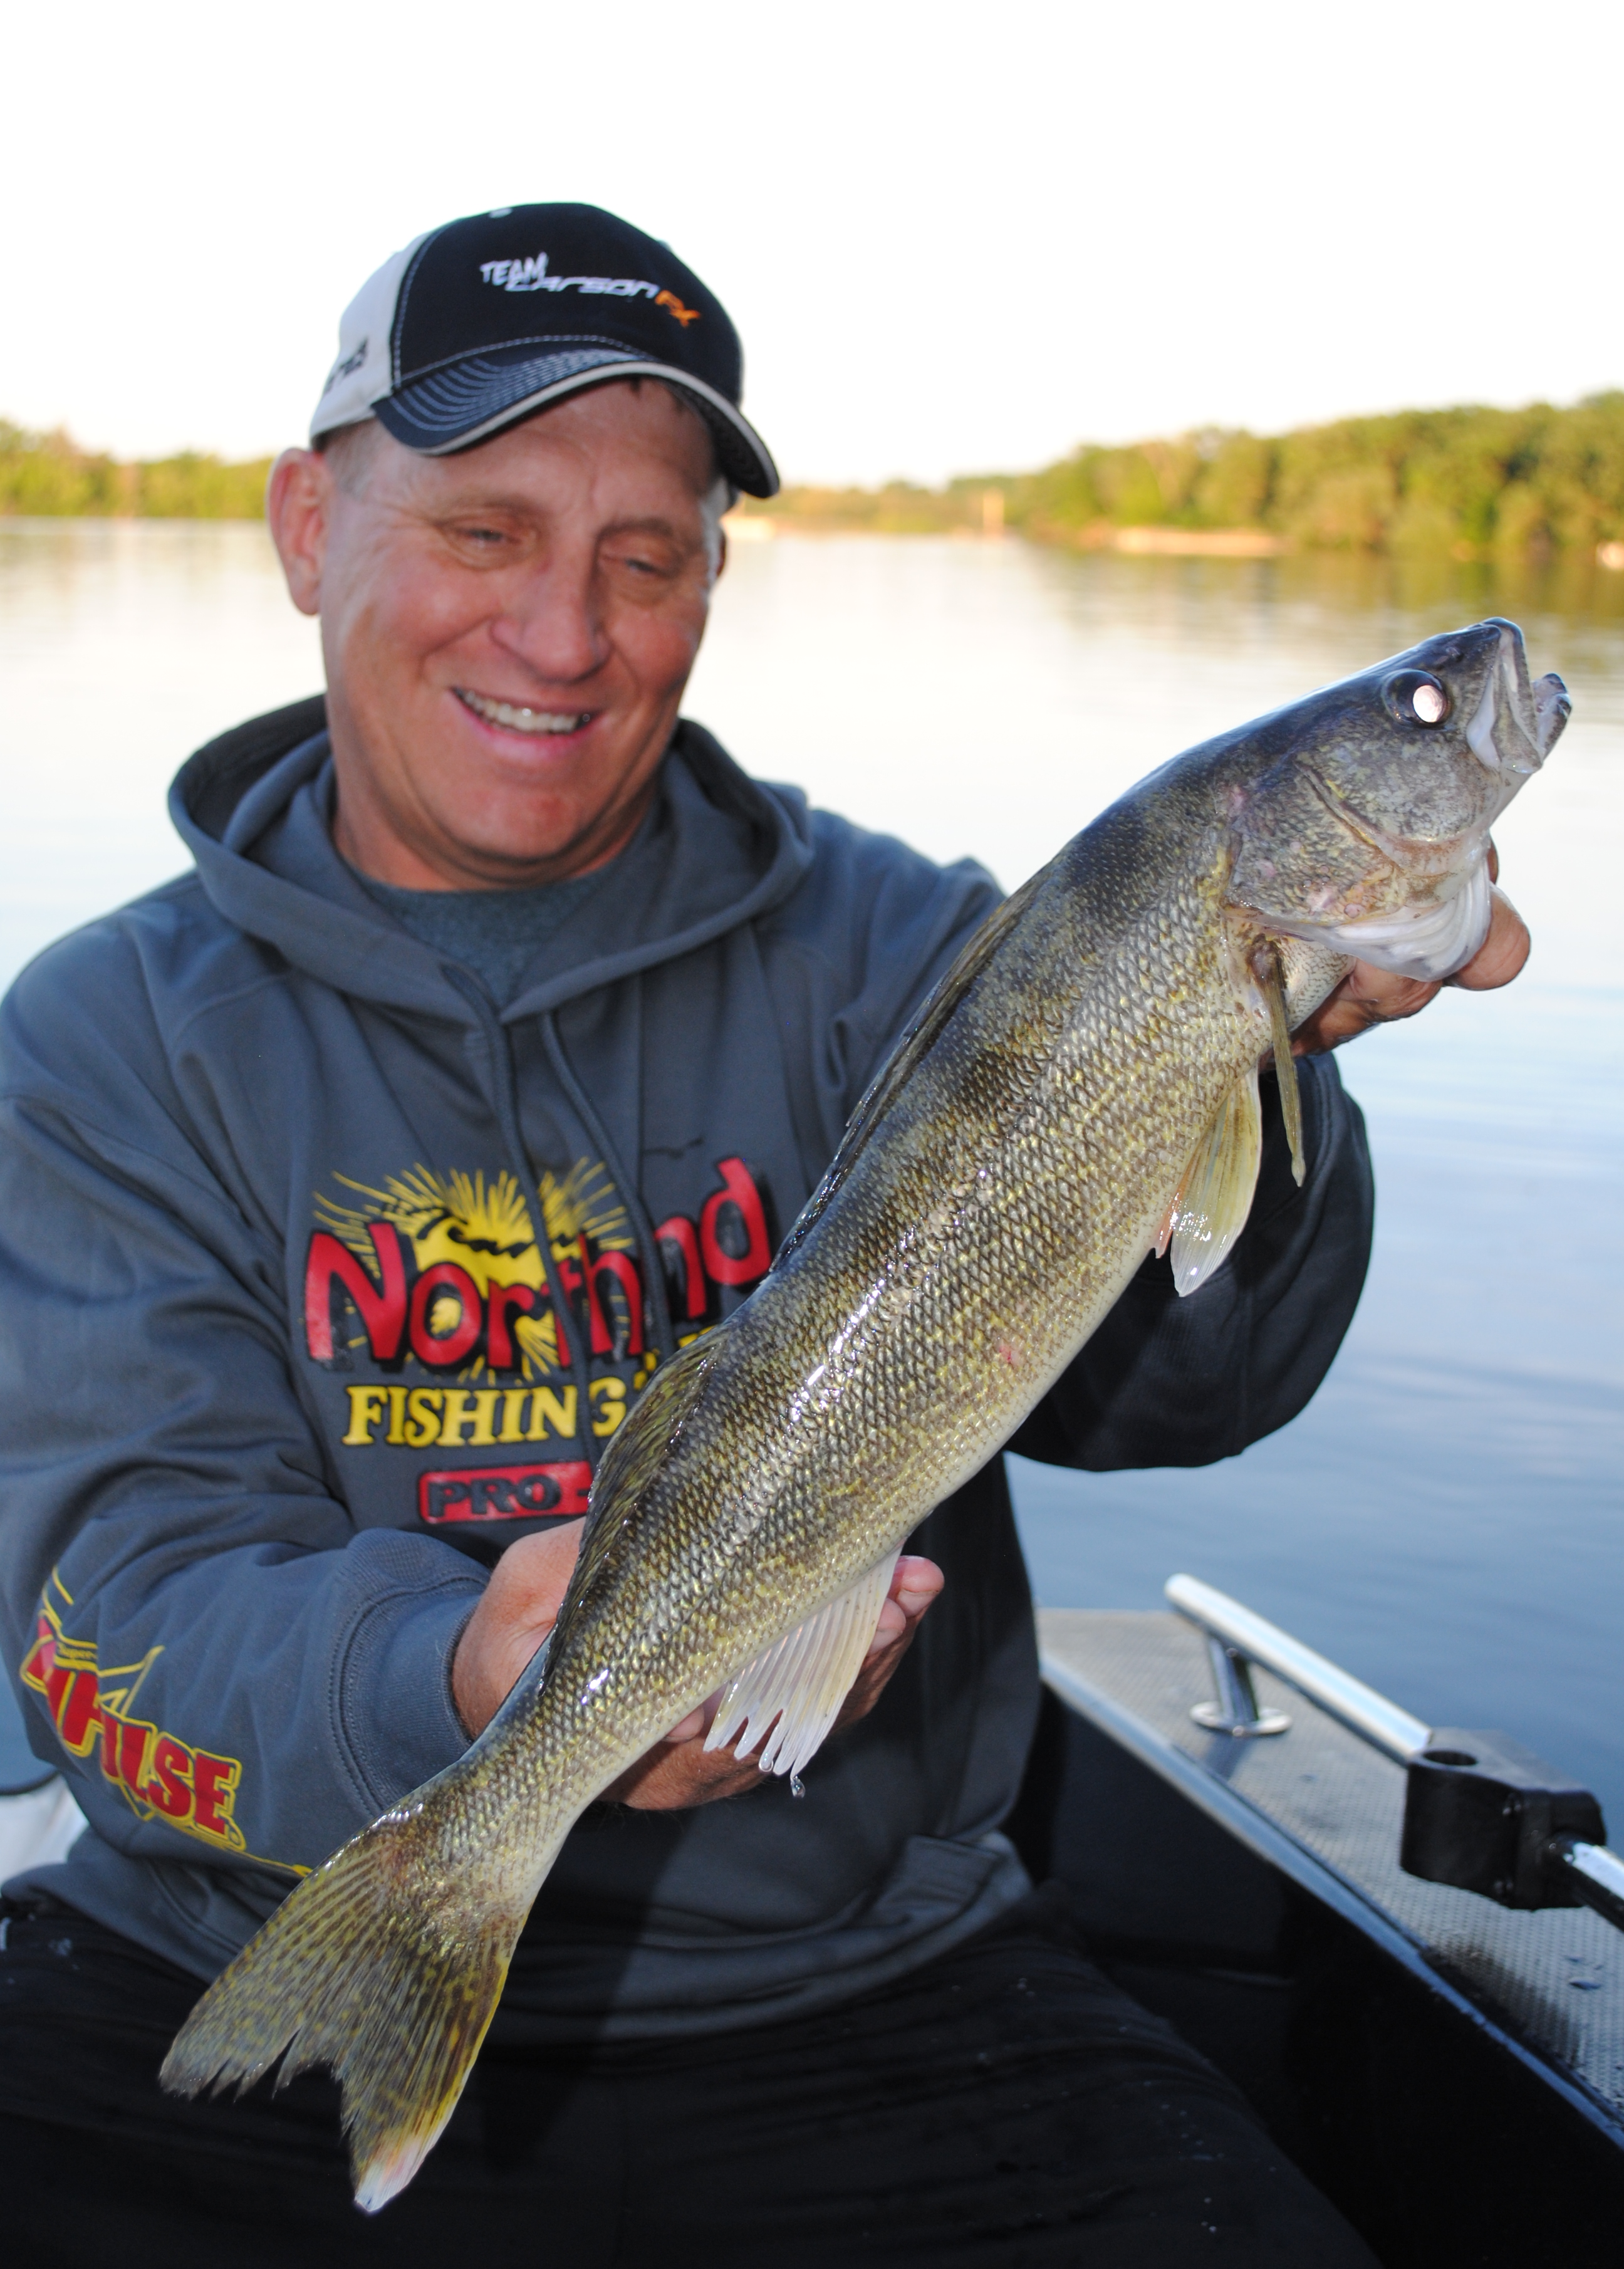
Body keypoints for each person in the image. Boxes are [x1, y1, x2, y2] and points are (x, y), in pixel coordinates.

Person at [0, 204, 1528, 2265]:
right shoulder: (104, 1045)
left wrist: (1282, 1059)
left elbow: (1204, 1385)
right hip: (213, 1954)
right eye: (483, 533)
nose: (565, 633)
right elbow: (111, 1611)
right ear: (303, 530)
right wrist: (457, 1683)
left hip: (873, 1995)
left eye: (649, 555)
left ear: (714, 581)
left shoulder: (912, 950)